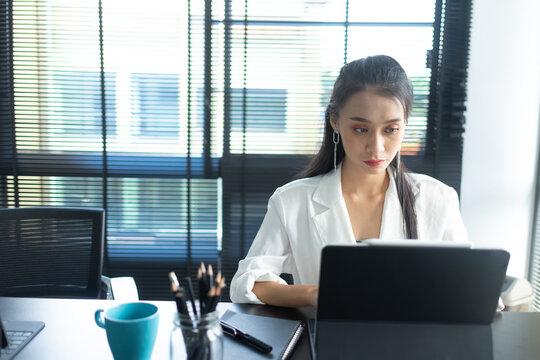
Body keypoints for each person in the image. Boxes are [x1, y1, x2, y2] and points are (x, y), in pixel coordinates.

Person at [229, 55, 468, 307]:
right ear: (335, 122)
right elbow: (247, 282)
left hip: (414, 343)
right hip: (323, 340)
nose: (376, 147)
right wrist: (317, 295)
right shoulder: (292, 200)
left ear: (405, 124)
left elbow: (468, 288)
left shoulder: (438, 198)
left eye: (390, 130)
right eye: (361, 129)